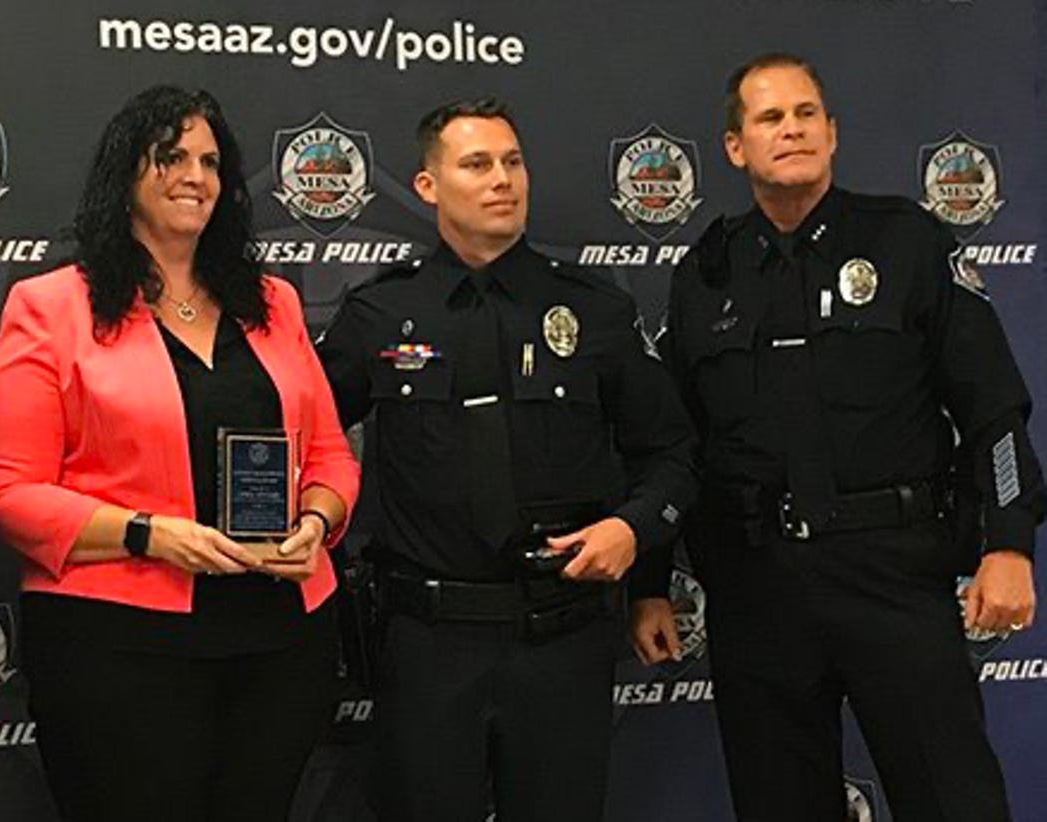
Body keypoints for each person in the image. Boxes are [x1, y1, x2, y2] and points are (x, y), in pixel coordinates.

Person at [630, 53, 1044, 822]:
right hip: (760, 590)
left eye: (806, 114)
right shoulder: (705, 276)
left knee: (954, 801)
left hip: (894, 575)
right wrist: (651, 582)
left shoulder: (909, 243)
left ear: (832, 132)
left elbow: (995, 413)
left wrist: (1010, 544)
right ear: (734, 147)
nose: (791, 129)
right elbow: (672, 446)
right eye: (769, 118)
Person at [0, 84, 359, 822]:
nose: (196, 176)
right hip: (118, 651)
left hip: (278, 642)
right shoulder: (52, 306)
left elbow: (334, 457)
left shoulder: (272, 303)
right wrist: (151, 535)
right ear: (127, 172)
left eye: (212, 162)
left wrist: (316, 522)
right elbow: (8, 492)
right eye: (172, 156)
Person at [316, 97, 695, 822]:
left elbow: (671, 453)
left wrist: (635, 534)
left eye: (512, 162)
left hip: (561, 636)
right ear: (428, 187)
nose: (502, 180)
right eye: (477, 164)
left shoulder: (592, 310)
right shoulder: (379, 314)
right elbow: (308, 439)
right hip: (426, 642)